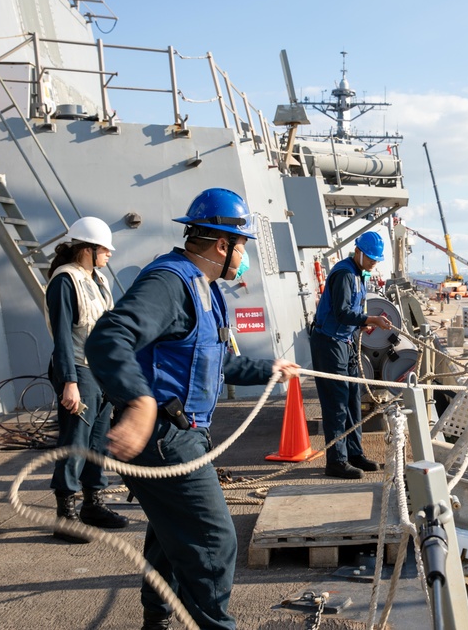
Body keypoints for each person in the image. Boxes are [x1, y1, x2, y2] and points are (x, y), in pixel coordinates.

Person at [85, 188, 300, 630]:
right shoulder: (170, 282)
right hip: (166, 439)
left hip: (184, 433)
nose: (243, 259)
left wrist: (269, 369)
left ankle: (157, 619)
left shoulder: (205, 288)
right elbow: (107, 338)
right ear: (222, 245)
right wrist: (141, 401)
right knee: (213, 542)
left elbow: (213, 362)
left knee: (169, 534)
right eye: (241, 248)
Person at [46, 216, 128, 543]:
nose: (109, 254)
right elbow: (63, 336)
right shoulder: (64, 281)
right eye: (104, 249)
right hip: (77, 369)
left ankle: (94, 504)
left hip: (100, 371)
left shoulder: (98, 279)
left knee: (98, 441)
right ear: (87, 249)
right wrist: (69, 381)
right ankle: (65, 514)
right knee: (76, 441)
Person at [309, 231, 393, 480]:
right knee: (336, 403)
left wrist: (363, 325)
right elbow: (343, 312)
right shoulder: (345, 273)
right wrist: (370, 319)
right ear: (359, 252)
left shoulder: (358, 274)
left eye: (377, 259)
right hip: (329, 343)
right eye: (371, 258)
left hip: (344, 341)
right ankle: (336, 461)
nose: (374, 263)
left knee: (353, 399)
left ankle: (354, 454)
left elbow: (349, 315)